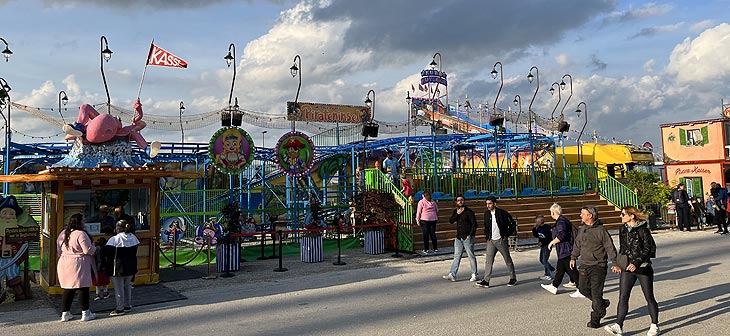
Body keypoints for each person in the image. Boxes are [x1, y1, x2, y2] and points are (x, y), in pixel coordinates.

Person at [604, 206, 660, 336]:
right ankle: (618, 325)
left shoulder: (643, 230)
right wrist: (617, 263)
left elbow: (648, 248)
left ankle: (654, 325)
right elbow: (623, 249)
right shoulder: (623, 228)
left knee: (649, 297)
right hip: (627, 267)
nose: (621, 216)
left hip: (643, 267)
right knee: (623, 296)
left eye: (623, 214)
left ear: (632, 216)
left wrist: (636, 262)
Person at [570, 206, 618, 329]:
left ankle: (596, 318)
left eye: (582, 214)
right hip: (585, 264)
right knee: (582, 289)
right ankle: (601, 304)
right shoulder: (583, 229)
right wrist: (573, 257)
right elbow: (577, 244)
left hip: (598, 265)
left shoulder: (601, 230)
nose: (580, 215)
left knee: (596, 293)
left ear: (590, 216)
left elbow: (609, 246)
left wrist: (615, 262)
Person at [56, 213, 97, 322]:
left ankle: (65, 313)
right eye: (83, 221)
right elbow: (87, 250)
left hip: (64, 262)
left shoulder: (63, 233)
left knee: (68, 289)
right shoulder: (81, 234)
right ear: (80, 222)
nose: (85, 223)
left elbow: (59, 250)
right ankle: (86, 313)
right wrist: (95, 247)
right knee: (83, 288)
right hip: (79, 263)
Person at [475, 196, 517, 288]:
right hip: (491, 240)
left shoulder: (502, 213)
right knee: (488, 261)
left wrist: (506, 235)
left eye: (490, 203)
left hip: (501, 240)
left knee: (507, 259)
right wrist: (487, 236)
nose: (488, 206)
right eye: (487, 204)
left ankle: (513, 278)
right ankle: (486, 280)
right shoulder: (486, 214)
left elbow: (512, 224)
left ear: (495, 204)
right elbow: (486, 226)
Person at [542, 203, 581, 296]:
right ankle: (554, 286)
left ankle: (582, 289)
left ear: (553, 212)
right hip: (564, 249)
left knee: (572, 270)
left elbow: (561, 236)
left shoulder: (561, 222)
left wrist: (552, 242)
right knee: (561, 269)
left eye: (551, 212)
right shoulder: (561, 221)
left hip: (566, 249)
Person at [105, 219, 139, 316]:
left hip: (117, 268)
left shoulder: (114, 240)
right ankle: (127, 305)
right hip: (131, 266)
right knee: (127, 286)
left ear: (118, 228)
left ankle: (120, 308)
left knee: (119, 289)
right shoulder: (133, 238)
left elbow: (108, 254)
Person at [442, 196, 478, 282]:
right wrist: (457, 214)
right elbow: (451, 221)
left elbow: (474, 224)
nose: (460, 201)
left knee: (471, 256)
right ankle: (452, 274)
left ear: (464, 201)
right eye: (458, 200)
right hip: (458, 237)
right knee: (457, 256)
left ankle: (474, 274)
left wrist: (471, 234)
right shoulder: (456, 211)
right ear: (456, 202)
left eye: (461, 200)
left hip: (467, 237)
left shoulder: (469, 212)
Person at [531, 214, 554, 281]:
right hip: (543, 246)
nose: (536, 223)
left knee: (545, 260)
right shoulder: (538, 228)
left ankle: (548, 274)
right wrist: (534, 229)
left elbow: (549, 238)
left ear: (541, 221)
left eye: (537, 221)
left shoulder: (546, 228)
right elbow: (536, 235)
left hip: (547, 245)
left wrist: (542, 242)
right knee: (541, 259)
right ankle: (552, 269)